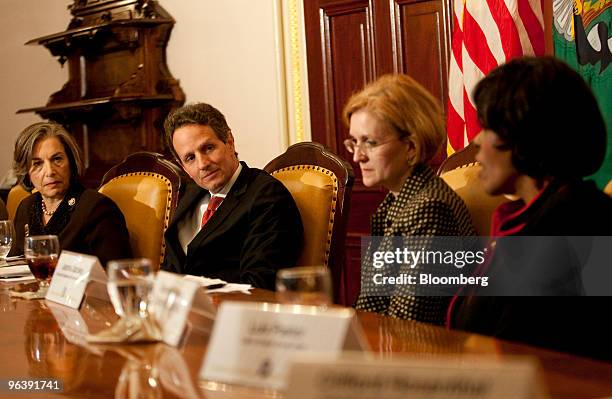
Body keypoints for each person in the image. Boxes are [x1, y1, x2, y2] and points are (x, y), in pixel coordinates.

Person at [448, 56, 612, 360]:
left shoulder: (578, 226)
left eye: (487, 126)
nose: (474, 139)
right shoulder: (537, 215)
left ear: (525, 134)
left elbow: (528, 358)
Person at [345, 74, 475, 325]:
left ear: (410, 148)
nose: (357, 157)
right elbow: (371, 302)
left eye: (370, 143)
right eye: (354, 142)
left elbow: (407, 322)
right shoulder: (393, 203)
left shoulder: (430, 208)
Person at [161, 102, 303, 290]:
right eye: (190, 158)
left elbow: (259, 284)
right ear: (184, 167)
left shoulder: (267, 196)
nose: (202, 164)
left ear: (229, 142)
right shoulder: (189, 195)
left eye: (208, 148)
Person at [10, 122, 132, 266]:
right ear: (26, 172)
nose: (50, 171)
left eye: (57, 159)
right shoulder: (27, 207)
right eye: (37, 164)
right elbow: (15, 265)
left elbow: (117, 274)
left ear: (71, 162)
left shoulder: (97, 208)